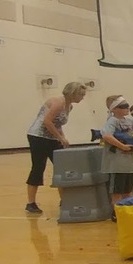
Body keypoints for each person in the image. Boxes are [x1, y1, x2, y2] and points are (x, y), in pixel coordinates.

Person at [25, 81, 88, 214]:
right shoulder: (58, 102)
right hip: (38, 136)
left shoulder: (69, 106)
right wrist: (60, 138)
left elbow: (58, 124)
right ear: (73, 93)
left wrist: (63, 138)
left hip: (52, 137)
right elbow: (47, 121)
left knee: (62, 167)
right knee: (38, 167)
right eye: (81, 94)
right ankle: (31, 203)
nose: (83, 97)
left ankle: (64, 199)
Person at [100, 95, 133, 222]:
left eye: (127, 105)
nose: (127, 108)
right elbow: (107, 136)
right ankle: (116, 212)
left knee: (128, 189)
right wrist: (122, 146)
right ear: (114, 109)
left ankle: (126, 211)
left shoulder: (130, 121)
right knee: (117, 190)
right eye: (123, 106)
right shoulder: (112, 121)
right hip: (117, 162)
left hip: (129, 162)